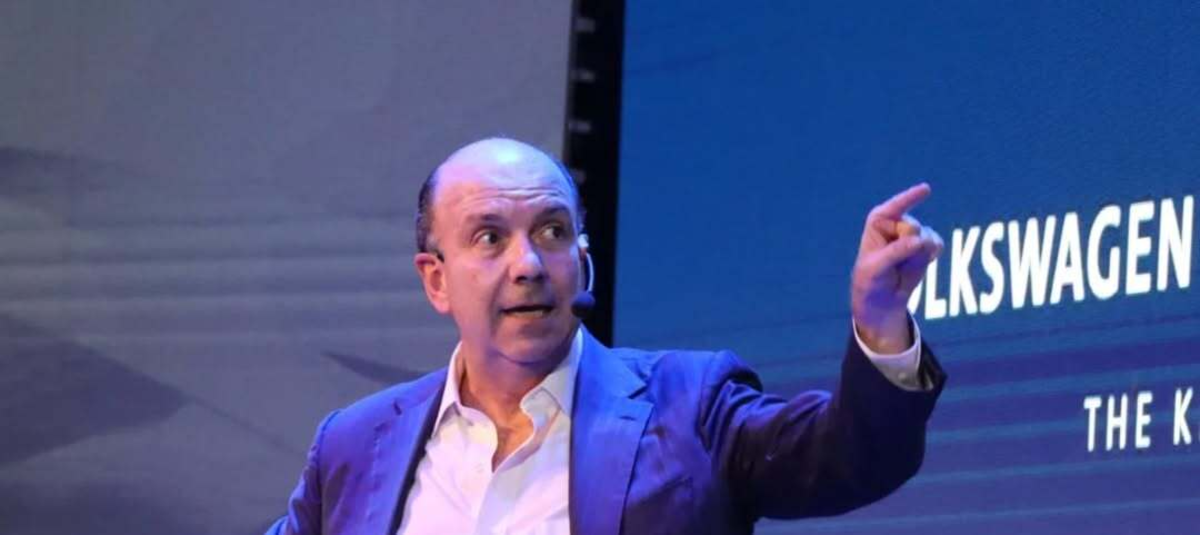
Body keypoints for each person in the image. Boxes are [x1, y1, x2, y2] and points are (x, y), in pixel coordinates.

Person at [265, 137, 947, 535]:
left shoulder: (689, 405)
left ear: (582, 260)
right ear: (436, 279)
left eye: (551, 231)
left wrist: (880, 321)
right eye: (490, 237)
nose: (528, 264)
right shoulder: (354, 446)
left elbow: (853, 457)